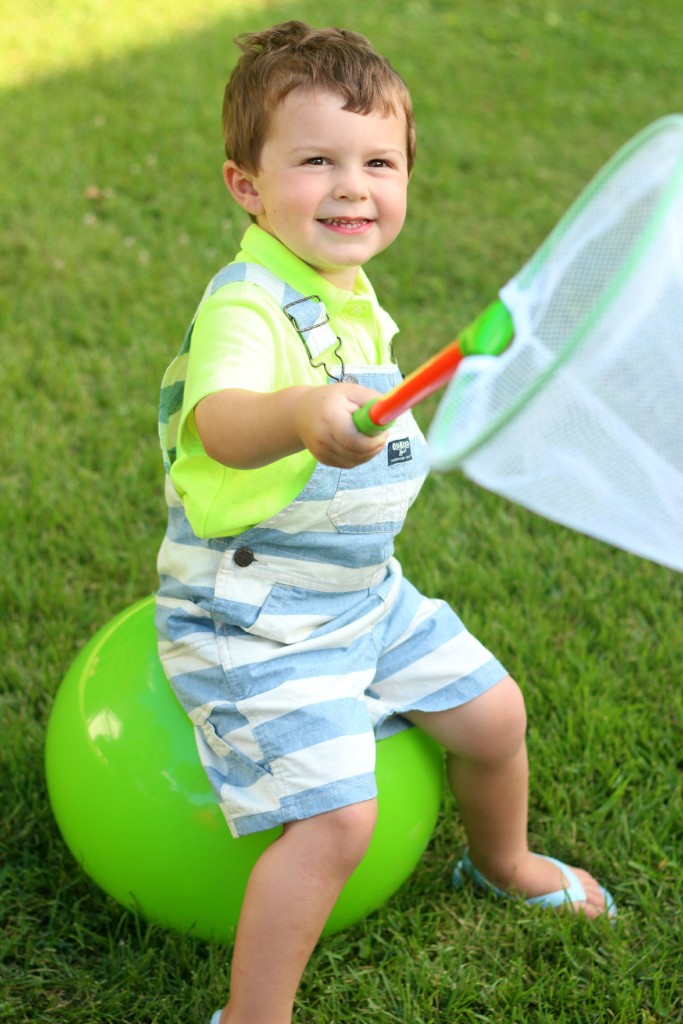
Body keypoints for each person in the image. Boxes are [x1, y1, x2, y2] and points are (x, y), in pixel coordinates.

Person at [155, 21, 615, 1024]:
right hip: (252, 609)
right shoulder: (247, 305)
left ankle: (501, 860)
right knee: (336, 820)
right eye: (316, 161)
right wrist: (299, 414)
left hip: (363, 593)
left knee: (495, 716)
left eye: (377, 162)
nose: (351, 187)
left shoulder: (350, 292)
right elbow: (220, 421)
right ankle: (254, 1016)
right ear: (247, 186)